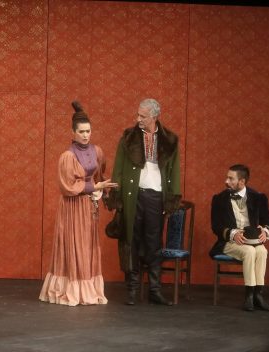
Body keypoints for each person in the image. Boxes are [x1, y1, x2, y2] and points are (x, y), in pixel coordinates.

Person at [39, 101, 117, 306]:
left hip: (89, 206)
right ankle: (71, 290)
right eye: (81, 131)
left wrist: (102, 191)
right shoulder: (67, 156)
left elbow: (100, 174)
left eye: (88, 131)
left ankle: (88, 290)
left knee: (87, 245)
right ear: (72, 133)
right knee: (74, 245)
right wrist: (95, 186)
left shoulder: (97, 151)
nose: (85, 135)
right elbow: (68, 186)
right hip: (73, 207)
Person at [107, 98, 181, 306]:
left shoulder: (169, 140)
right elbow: (118, 168)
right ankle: (132, 290)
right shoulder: (129, 138)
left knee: (153, 243)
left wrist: (172, 198)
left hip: (156, 197)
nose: (138, 119)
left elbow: (174, 172)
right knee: (132, 240)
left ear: (154, 117)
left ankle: (155, 290)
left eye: (143, 116)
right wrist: (116, 196)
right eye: (138, 115)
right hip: (134, 196)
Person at [209, 165, 269, 311]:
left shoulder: (258, 197)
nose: (226, 181)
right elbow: (216, 226)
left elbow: (267, 221)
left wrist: (265, 231)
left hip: (253, 240)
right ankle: (249, 296)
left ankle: (258, 295)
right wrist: (233, 234)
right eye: (227, 177)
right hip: (229, 242)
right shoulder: (219, 199)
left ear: (242, 181)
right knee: (249, 252)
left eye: (231, 178)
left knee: (262, 251)